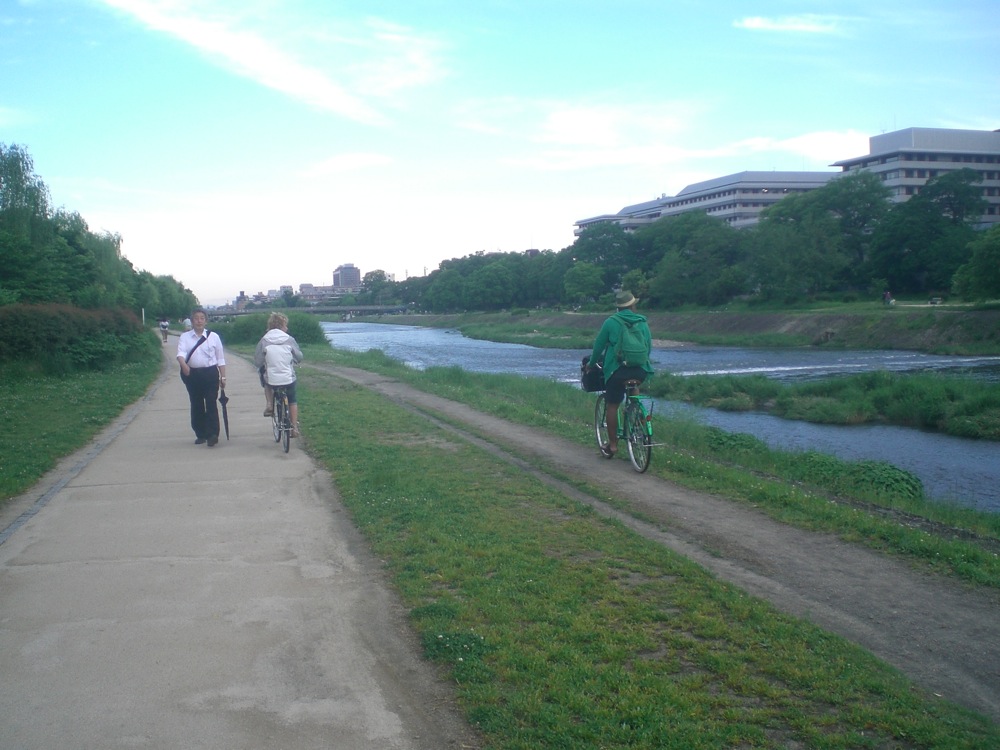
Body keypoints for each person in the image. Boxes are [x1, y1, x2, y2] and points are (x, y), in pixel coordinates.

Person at [585, 290, 654, 458]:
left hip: (618, 372)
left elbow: (599, 346)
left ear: (618, 307)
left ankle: (613, 445)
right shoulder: (642, 322)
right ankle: (638, 424)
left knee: (612, 405)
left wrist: (591, 364)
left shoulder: (611, 322)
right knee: (634, 390)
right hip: (640, 370)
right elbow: (648, 346)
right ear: (633, 305)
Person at [176, 307, 226, 447]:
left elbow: (220, 359)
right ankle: (200, 433)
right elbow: (180, 353)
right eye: (196, 318)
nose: (199, 321)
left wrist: (223, 377)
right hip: (192, 374)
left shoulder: (213, 337)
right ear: (192, 321)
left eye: (202, 318)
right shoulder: (185, 337)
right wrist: (183, 365)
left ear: (206, 321)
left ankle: (213, 434)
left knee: (211, 402)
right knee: (196, 403)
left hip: (210, 373)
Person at [253, 312, 303, 437]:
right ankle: (294, 427)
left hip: (272, 379)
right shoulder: (289, 339)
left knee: (265, 376)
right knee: (292, 400)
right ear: (282, 325)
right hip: (288, 378)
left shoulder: (264, 340)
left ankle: (269, 404)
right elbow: (299, 356)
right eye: (286, 325)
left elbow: (258, 361)